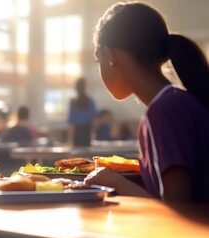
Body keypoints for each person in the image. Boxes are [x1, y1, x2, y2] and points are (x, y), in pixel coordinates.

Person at [84, 2, 209, 203]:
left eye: (99, 60)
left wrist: (112, 179)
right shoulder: (178, 103)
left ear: (111, 56)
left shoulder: (163, 112)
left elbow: (177, 210)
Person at [67, 77, 98, 146]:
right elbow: (94, 119)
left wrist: (70, 140)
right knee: (86, 153)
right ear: (85, 87)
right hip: (86, 130)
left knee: (77, 154)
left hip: (77, 131)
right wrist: (93, 133)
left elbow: (71, 123)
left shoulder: (73, 101)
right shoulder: (90, 101)